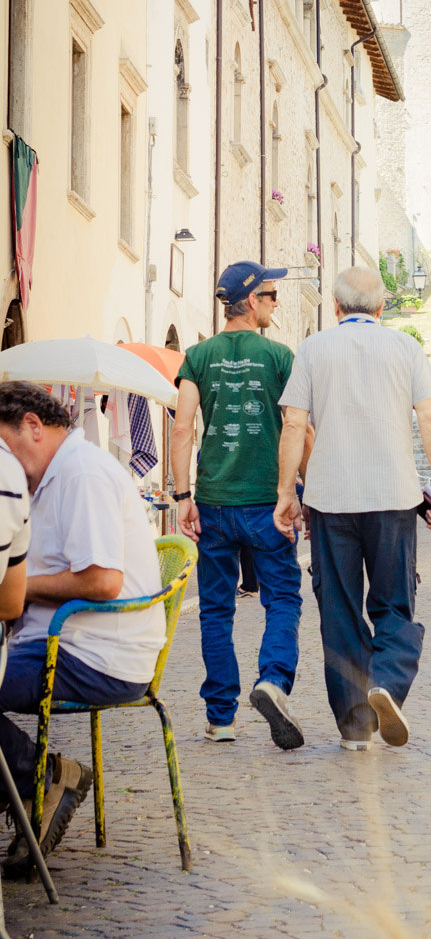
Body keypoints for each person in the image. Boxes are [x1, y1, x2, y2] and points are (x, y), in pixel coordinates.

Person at [274, 266, 431, 752]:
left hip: (330, 498)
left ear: (335, 307)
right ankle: (387, 685)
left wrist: (286, 493)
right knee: (394, 602)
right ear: (380, 308)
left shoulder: (312, 348)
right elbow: (430, 418)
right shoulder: (405, 348)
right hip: (393, 494)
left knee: (339, 609)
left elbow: (294, 425)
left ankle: (355, 727)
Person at [0, 384, 166, 874]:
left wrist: (20, 589)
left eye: (4, 450)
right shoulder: (54, 476)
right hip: (66, 643)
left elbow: (101, 579)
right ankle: (31, 779)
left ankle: (40, 776)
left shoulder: (82, 472)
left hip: (95, 654)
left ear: (33, 425)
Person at [172, 261, 308, 749]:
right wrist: (298, 492)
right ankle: (272, 680)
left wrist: (182, 495)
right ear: (251, 302)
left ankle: (220, 718)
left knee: (215, 608)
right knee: (283, 598)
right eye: (270, 295)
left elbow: (183, 427)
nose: (275, 303)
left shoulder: (197, 356)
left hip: (212, 500)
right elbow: (300, 428)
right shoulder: (279, 356)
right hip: (265, 503)